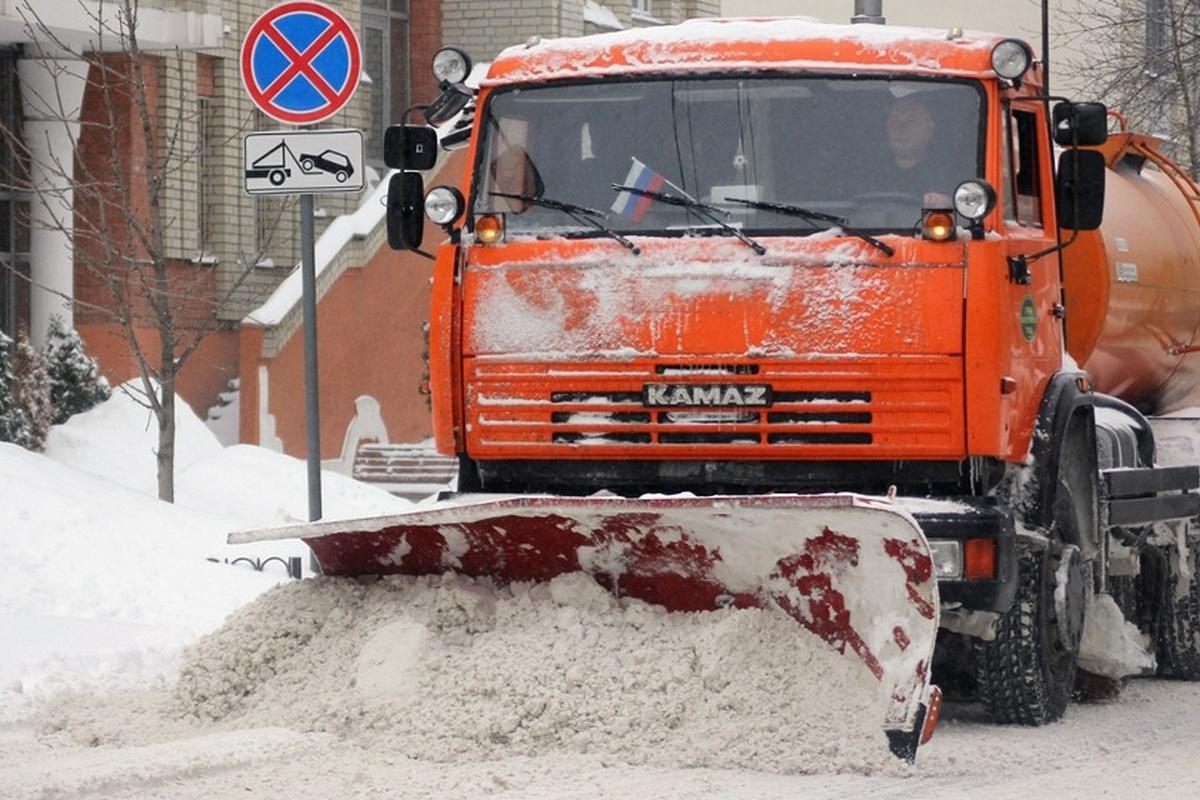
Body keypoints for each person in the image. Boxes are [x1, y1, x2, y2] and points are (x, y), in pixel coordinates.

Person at [884, 94, 953, 207]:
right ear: (887, 127)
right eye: (895, 121)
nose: (901, 129)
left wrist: (948, 203)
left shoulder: (948, 175)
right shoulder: (867, 173)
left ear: (929, 128)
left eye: (911, 122)